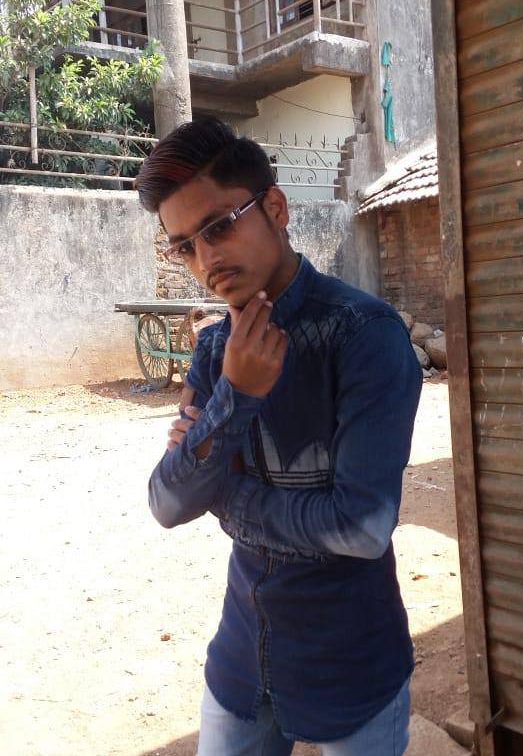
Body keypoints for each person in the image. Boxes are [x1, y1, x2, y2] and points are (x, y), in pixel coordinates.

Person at [134, 117, 422, 756]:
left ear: (275, 208)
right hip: (241, 664)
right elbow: (167, 502)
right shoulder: (217, 350)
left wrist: (226, 496)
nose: (206, 260)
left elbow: (361, 527)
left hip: (352, 670)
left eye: (219, 226)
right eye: (185, 247)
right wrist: (236, 394)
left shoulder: (365, 337)